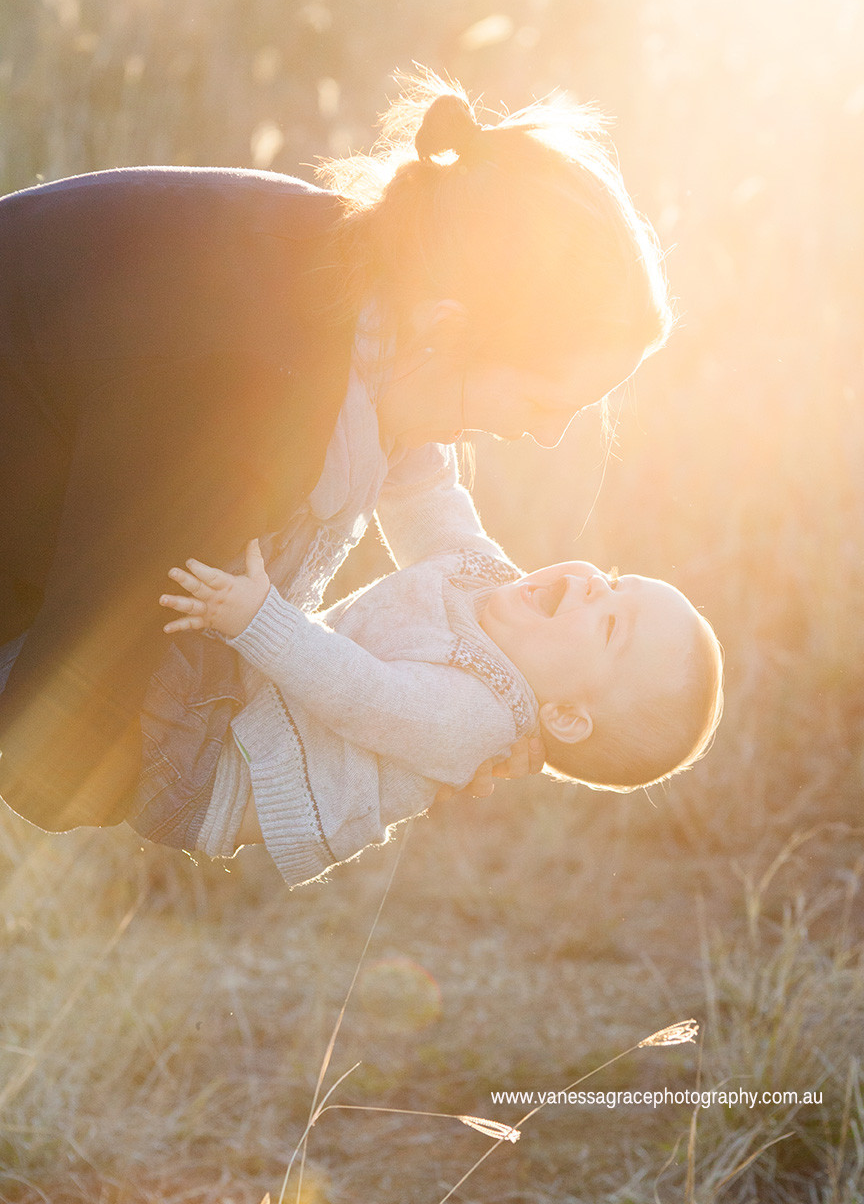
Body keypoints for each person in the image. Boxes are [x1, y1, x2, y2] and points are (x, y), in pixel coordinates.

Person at [0, 73, 672, 833]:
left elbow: (434, 513)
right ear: (448, 329)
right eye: (546, 404)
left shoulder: (337, 274)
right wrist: (343, 774)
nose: (547, 436)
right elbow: (51, 764)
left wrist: (479, 698)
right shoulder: (248, 405)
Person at [142, 520, 723, 887]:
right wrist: (413, 431)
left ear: (566, 715)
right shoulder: (488, 579)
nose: (597, 586)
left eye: (611, 626)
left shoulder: (477, 717)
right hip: (229, 707)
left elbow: (361, 694)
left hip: (208, 776)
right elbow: (428, 501)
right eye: (618, 580)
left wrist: (258, 620)